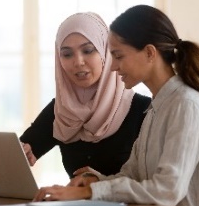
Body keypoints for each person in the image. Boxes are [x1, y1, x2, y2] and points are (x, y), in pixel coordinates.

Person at [32, 5, 199, 206]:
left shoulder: (186, 105)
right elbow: (132, 174)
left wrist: (88, 192)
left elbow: (168, 190)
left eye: (119, 56)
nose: (112, 66)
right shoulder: (156, 108)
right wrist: (96, 182)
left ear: (149, 53)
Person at [20, 12, 151, 178]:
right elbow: (24, 149)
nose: (78, 62)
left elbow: (154, 182)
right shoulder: (61, 109)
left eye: (88, 50)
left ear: (106, 52)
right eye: (67, 54)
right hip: (75, 204)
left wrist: (100, 185)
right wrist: (21, 153)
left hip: (131, 204)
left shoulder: (144, 110)